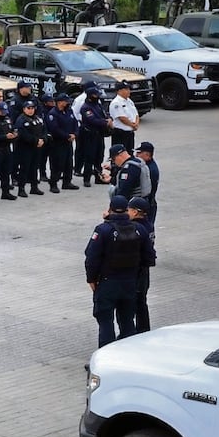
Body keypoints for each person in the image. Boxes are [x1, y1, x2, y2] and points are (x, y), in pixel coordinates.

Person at [85, 194, 152, 348]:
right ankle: (128, 356)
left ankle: (105, 360)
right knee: (128, 321)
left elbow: (91, 257)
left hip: (107, 282)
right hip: (130, 283)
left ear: (110, 210)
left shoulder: (103, 230)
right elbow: (149, 257)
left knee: (106, 322)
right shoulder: (139, 229)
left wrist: (91, 279)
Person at [128, 196, 156, 333]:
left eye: (129, 209)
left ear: (135, 212)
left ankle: (134, 331)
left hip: (136, 270)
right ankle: (143, 329)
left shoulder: (137, 228)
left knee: (134, 302)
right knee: (141, 302)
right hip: (144, 270)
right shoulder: (148, 224)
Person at [45, 93, 79, 193]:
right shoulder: (53, 114)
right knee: (57, 163)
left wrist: (75, 134)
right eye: (66, 101)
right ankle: (53, 183)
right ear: (60, 102)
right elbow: (54, 129)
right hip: (57, 142)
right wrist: (67, 136)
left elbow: (75, 123)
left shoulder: (69, 111)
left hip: (68, 142)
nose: (68, 103)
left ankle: (67, 182)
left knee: (68, 162)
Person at [79, 86, 113, 187]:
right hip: (90, 135)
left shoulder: (98, 105)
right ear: (90, 96)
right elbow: (92, 120)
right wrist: (105, 122)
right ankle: (87, 178)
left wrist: (109, 118)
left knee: (99, 156)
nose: (97, 97)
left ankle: (98, 176)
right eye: (95, 95)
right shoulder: (85, 107)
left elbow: (104, 114)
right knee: (90, 157)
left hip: (99, 134)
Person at [14, 100, 45, 197]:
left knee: (34, 167)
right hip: (25, 148)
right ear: (24, 109)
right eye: (29, 108)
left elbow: (44, 129)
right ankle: (21, 189)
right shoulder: (21, 120)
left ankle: (34, 187)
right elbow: (23, 135)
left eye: (32, 108)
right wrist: (36, 141)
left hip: (37, 147)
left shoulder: (38, 118)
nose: (31, 110)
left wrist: (43, 139)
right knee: (24, 168)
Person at [134, 141, 159, 224]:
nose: (136, 155)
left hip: (148, 204)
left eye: (139, 153)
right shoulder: (145, 165)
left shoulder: (150, 170)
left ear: (147, 155)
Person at [109, 82, 139, 150]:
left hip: (130, 133)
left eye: (129, 89)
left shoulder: (129, 101)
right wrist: (133, 125)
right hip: (120, 133)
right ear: (119, 91)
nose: (129, 91)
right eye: (126, 89)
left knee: (129, 153)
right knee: (120, 155)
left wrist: (136, 123)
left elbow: (136, 114)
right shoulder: (116, 102)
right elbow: (122, 118)